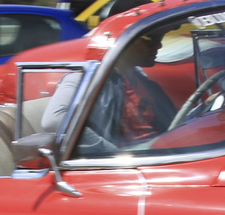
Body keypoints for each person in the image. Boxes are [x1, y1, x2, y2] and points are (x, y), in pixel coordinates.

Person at [41, 28, 177, 154]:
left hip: (164, 154)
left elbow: (174, 124)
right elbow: (54, 120)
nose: (159, 46)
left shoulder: (143, 81)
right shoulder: (87, 78)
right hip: (133, 163)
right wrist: (111, 153)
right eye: (152, 39)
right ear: (124, 41)